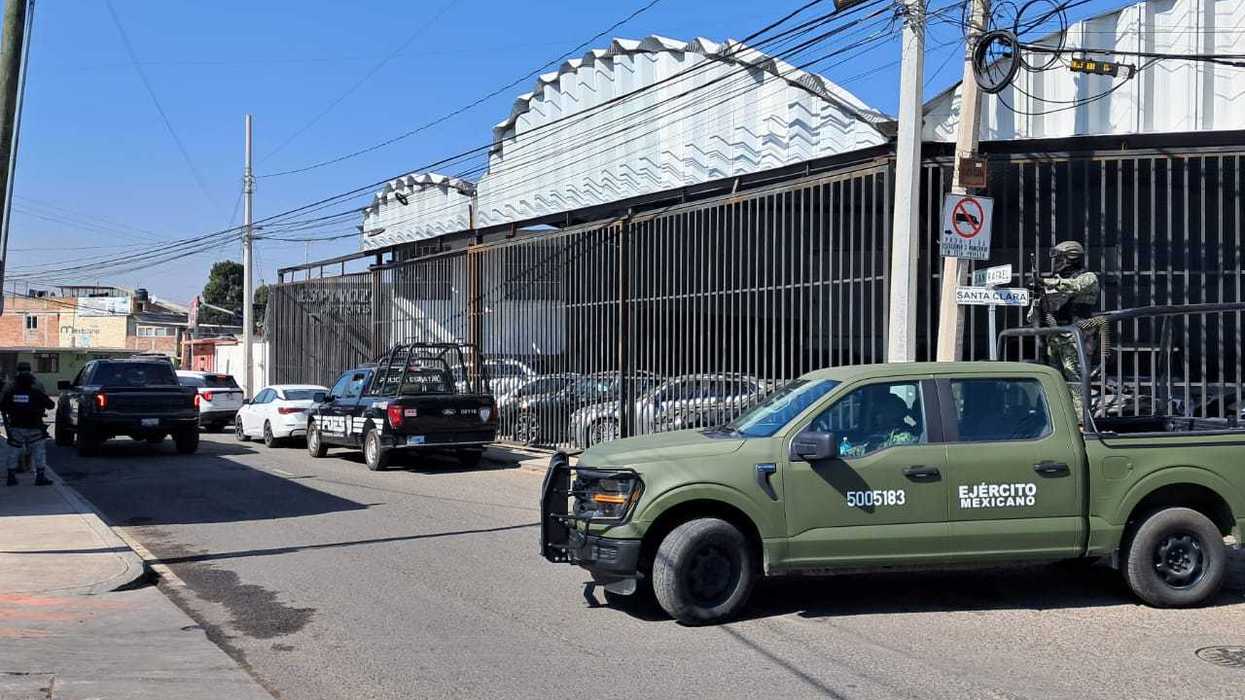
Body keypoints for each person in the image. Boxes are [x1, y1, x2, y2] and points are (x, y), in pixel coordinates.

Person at [1030, 240, 1099, 419]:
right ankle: (1060, 420)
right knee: (1055, 381)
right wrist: (1038, 292)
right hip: (1056, 337)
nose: (1057, 263)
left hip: (1076, 338)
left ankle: (1082, 422)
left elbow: (1074, 285)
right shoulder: (1055, 281)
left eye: (1060, 258)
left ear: (1071, 257)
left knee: (1075, 382)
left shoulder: (1088, 277)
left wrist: (1048, 282)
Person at [2, 362, 55, 487]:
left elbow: (3, 406)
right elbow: (51, 405)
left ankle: (11, 476)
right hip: (34, 427)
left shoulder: (10, 389)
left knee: (14, 451)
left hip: (16, 426)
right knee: (39, 452)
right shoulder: (36, 389)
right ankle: (40, 476)